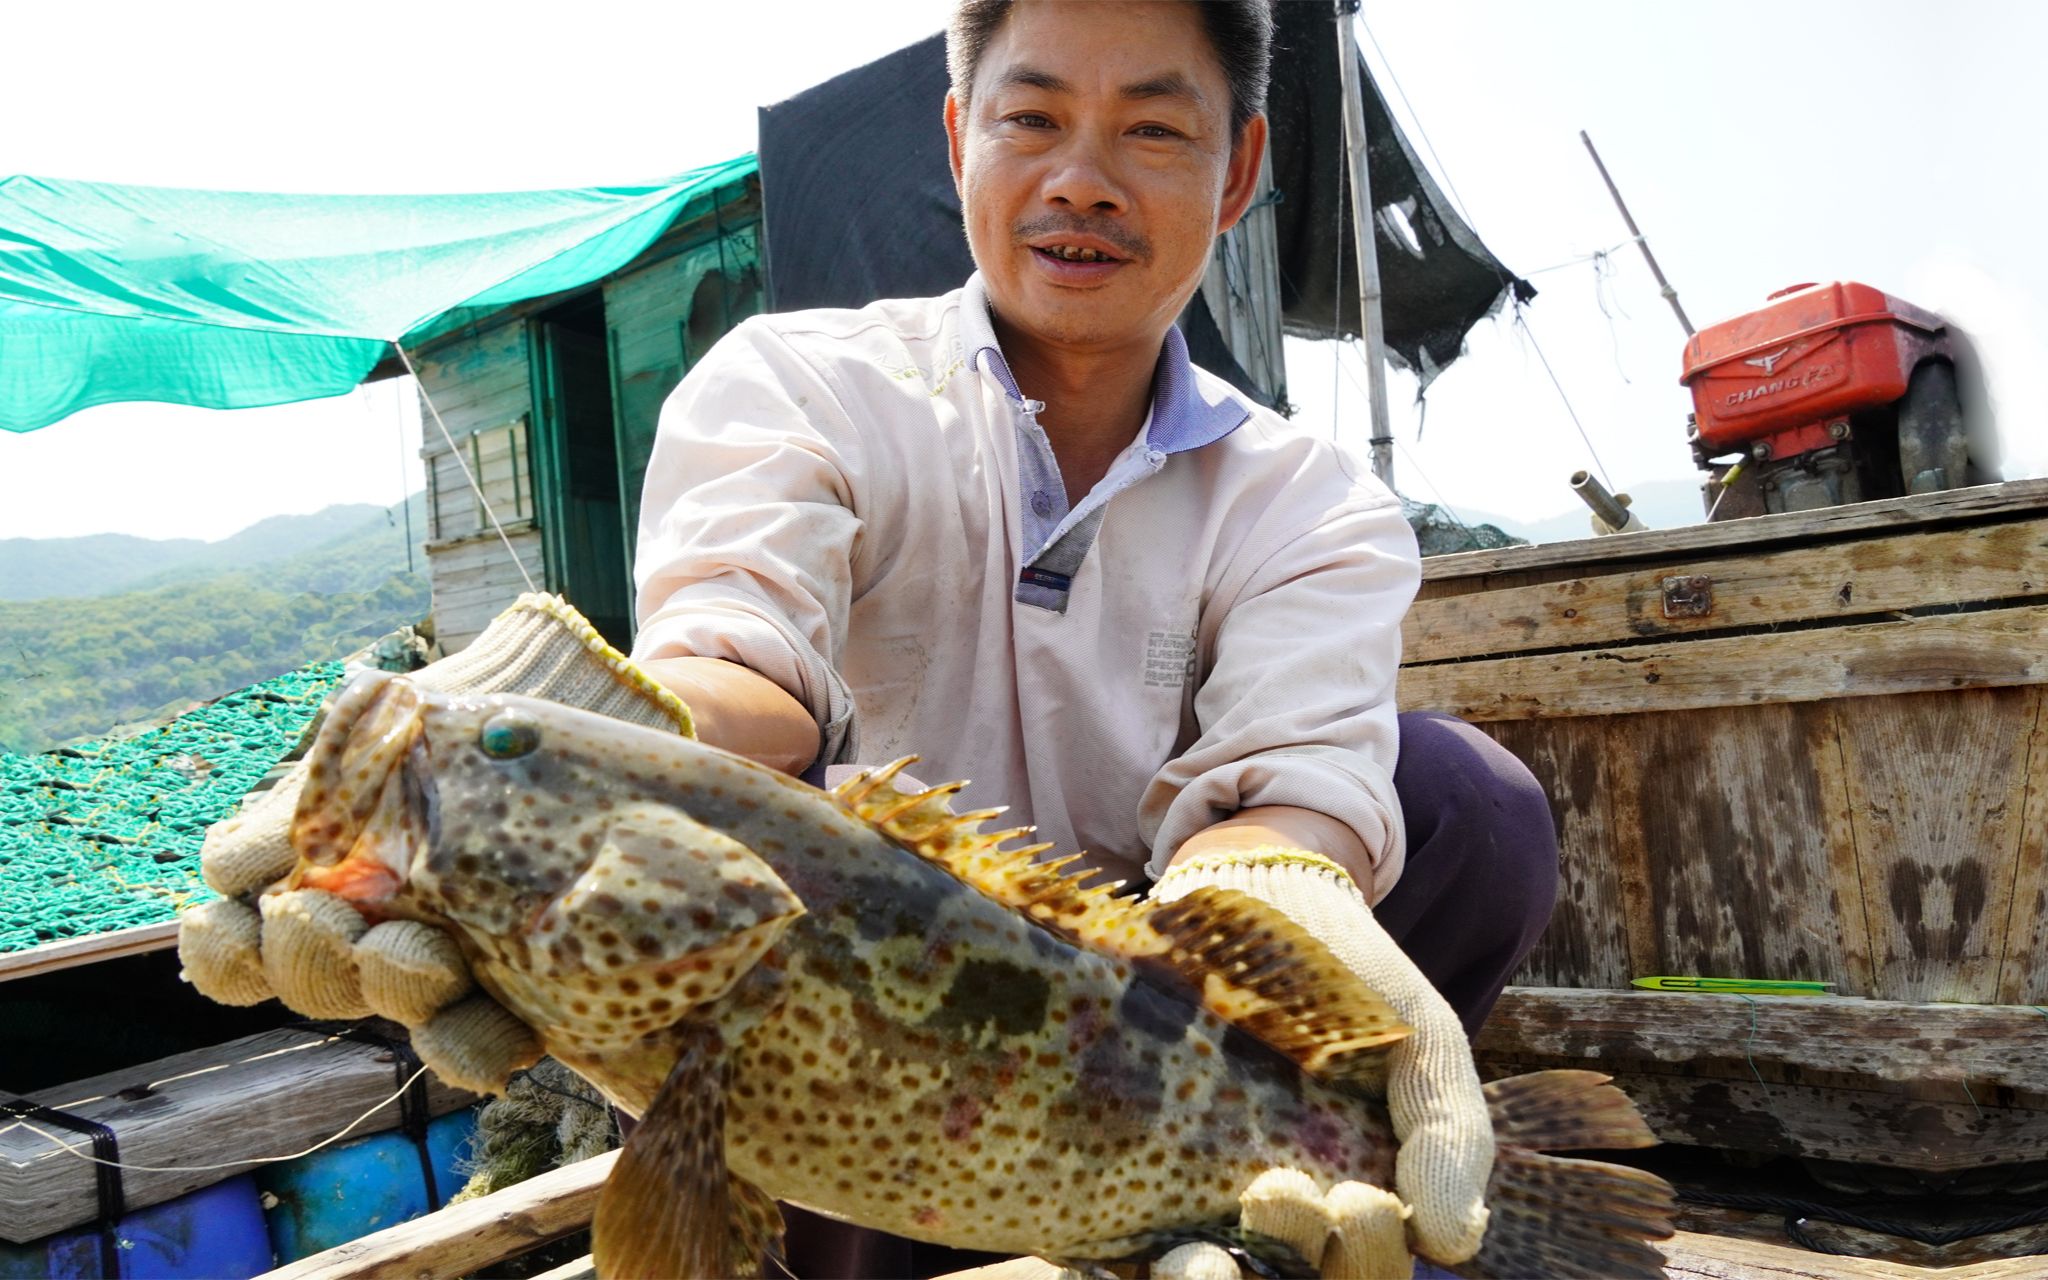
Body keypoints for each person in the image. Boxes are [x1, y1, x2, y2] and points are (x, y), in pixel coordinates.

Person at [625, 2, 1559, 1275]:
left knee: (1466, 801)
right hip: (870, 1031)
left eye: (1152, 129)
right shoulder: (796, 384)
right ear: (960, 138)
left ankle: (1284, 1196)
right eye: (1032, 118)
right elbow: (736, 647)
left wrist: (1267, 872)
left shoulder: (1308, 500)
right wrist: (606, 739)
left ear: (1236, 172)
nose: (1081, 181)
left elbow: (1293, 773)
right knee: (758, 844)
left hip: (1154, 1014)